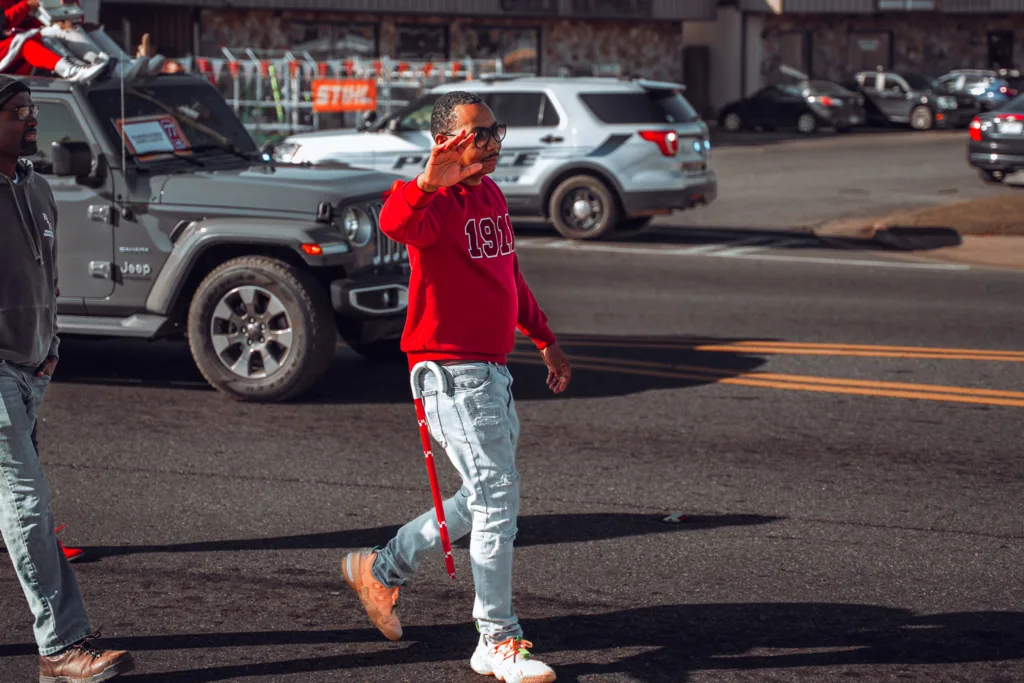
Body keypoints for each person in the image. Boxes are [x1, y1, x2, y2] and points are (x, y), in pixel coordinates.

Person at [341, 90, 571, 683]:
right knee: (497, 499)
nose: (492, 144)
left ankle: (383, 568)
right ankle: (497, 638)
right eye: (478, 135)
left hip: (490, 370)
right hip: (451, 371)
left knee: (483, 496)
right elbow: (395, 223)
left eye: (496, 132)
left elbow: (507, 271)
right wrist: (426, 180)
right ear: (445, 142)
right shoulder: (434, 199)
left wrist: (543, 336)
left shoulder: (490, 193)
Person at [0, 74, 134, 681]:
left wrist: (50, 348)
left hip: (33, 368)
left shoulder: (38, 188)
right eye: (18, 113)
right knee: (27, 503)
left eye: (32, 111)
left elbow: (46, 278)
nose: (32, 122)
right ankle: (63, 645)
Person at [0, 0, 105, 82]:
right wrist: (26, 5)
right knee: (28, 42)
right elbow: (5, 22)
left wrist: (67, 13)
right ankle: (73, 71)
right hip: (12, 51)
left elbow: (78, 18)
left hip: (33, 38)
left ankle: (108, 67)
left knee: (84, 29)